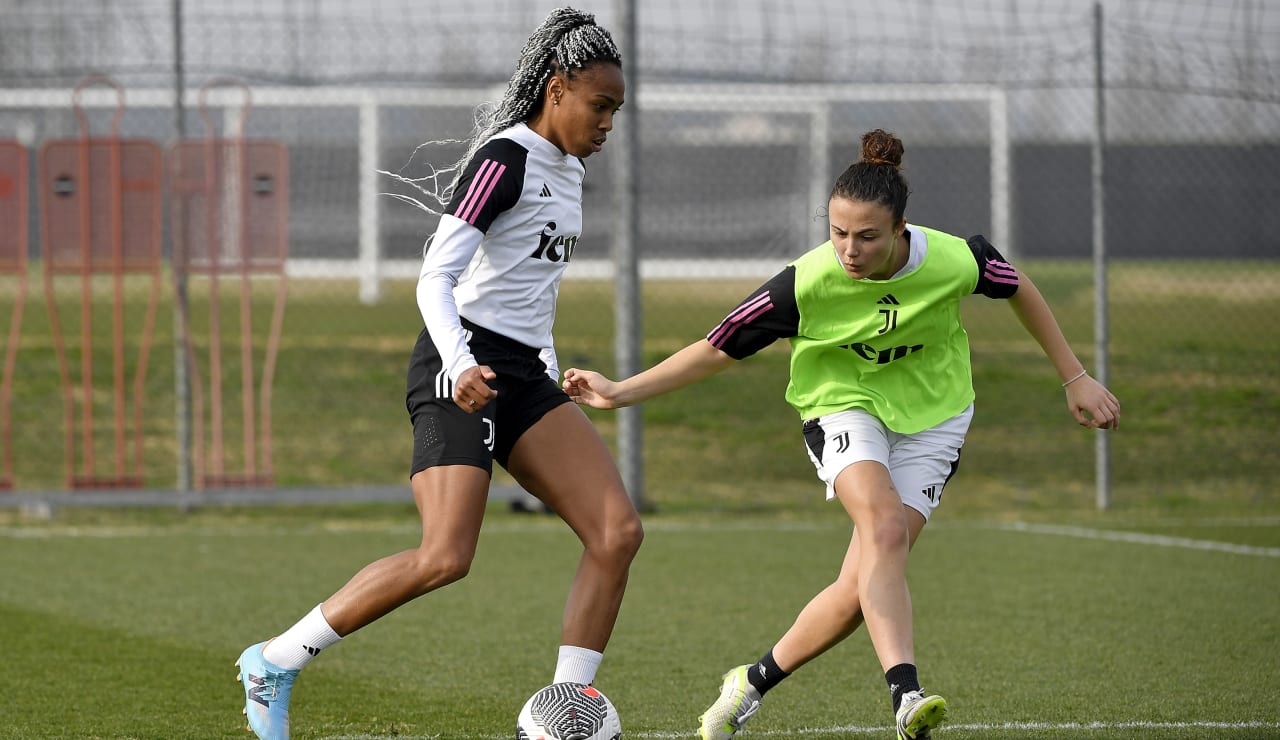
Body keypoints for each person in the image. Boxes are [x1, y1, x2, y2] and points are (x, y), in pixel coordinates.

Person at [563, 129, 1120, 740]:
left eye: (867, 236)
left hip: (935, 418)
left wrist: (1076, 377)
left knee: (862, 585)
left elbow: (1020, 290)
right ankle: (906, 696)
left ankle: (748, 684)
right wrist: (618, 391)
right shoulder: (805, 283)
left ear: (902, 228)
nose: (849, 251)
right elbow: (716, 348)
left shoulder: (955, 259)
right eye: (837, 232)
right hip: (841, 407)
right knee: (882, 529)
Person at [235, 9, 643, 739]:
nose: (608, 123)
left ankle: (566, 712)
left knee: (616, 531)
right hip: (460, 363)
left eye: (615, 110)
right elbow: (436, 277)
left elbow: (528, 284)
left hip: (521, 373)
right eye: (600, 105)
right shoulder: (505, 159)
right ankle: (275, 660)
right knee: (445, 556)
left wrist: (547, 365)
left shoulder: (572, 170)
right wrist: (458, 363)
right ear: (557, 90)